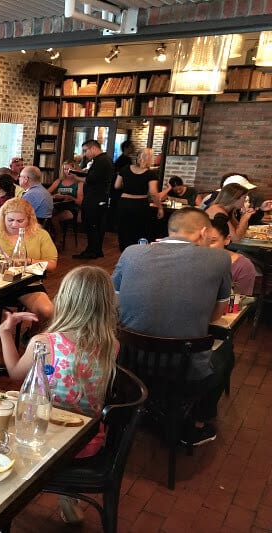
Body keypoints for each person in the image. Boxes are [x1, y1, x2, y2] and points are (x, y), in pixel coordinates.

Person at [0, 265, 117, 523]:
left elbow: (15, 373)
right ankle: (69, 496)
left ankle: (3, 497)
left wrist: (5, 332)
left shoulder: (45, 342)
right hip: (89, 442)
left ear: (63, 300)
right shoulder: (111, 344)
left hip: (46, 442)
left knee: (0, 420)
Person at [112, 207, 232, 445]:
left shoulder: (131, 252)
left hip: (128, 361)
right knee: (227, 352)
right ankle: (196, 424)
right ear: (203, 231)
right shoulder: (219, 258)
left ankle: (139, 406)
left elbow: (115, 302)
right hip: (183, 368)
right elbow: (217, 315)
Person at [0, 198, 57, 326]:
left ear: (29, 220)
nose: (14, 225)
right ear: (3, 218)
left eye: (20, 221)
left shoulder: (40, 235)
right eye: (10, 220)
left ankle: (32, 333)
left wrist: (29, 261)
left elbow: (52, 265)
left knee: (47, 311)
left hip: (26, 285)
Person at [113, 147, 163, 251]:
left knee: (124, 229)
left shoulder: (125, 169)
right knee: (140, 230)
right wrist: (160, 207)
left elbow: (117, 186)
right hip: (140, 204)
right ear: (149, 159)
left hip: (124, 203)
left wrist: (128, 186)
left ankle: (124, 252)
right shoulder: (150, 174)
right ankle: (137, 253)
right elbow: (153, 192)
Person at [73, 139, 113, 259]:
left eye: (86, 151)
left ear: (93, 148)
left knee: (92, 224)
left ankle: (92, 251)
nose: (85, 154)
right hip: (99, 197)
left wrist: (76, 177)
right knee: (96, 225)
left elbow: (91, 180)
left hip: (95, 198)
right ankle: (96, 250)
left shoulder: (101, 161)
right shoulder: (104, 160)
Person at [208, 216, 256, 296]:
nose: (205, 246)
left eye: (212, 241)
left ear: (227, 239)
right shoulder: (191, 259)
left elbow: (240, 302)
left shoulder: (243, 266)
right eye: (200, 240)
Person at [48, 161, 84, 245]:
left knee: (54, 218)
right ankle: (49, 238)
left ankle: (58, 239)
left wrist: (69, 197)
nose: (67, 171)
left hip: (72, 209)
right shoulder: (59, 181)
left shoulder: (79, 183)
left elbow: (80, 201)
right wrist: (54, 196)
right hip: (57, 206)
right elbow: (46, 193)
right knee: (46, 216)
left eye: (70, 169)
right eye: (65, 169)